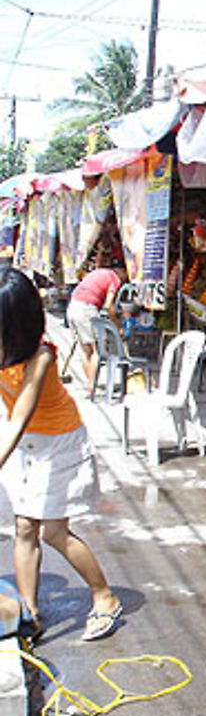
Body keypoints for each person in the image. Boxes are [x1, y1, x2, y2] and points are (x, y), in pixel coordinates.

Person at [0, 268, 122, 641]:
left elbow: (21, 412)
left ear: (17, 326)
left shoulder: (41, 355)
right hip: (26, 445)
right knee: (24, 526)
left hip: (60, 441)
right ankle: (30, 613)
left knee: (53, 531)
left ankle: (105, 596)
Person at [65, 265, 127, 391]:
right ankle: (92, 384)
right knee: (97, 349)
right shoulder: (114, 279)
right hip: (86, 309)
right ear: (122, 272)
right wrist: (118, 325)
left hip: (72, 306)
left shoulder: (99, 272)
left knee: (85, 350)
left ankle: (90, 384)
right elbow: (108, 305)